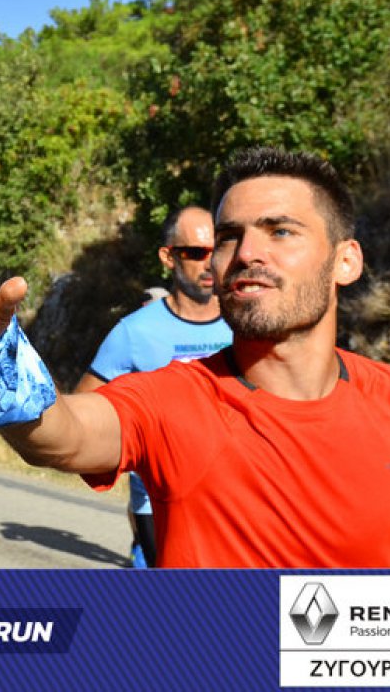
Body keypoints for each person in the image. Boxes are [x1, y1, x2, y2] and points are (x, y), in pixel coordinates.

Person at [0, 147, 390, 567]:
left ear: (346, 260)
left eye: (281, 231)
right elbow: (65, 433)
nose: (246, 253)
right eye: (230, 235)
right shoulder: (176, 400)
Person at [73, 206, 232, 568]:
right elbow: (82, 412)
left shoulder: (246, 322)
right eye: (195, 252)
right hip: (160, 502)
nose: (209, 263)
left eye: (217, 249)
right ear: (168, 257)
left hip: (234, 495)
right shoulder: (134, 332)